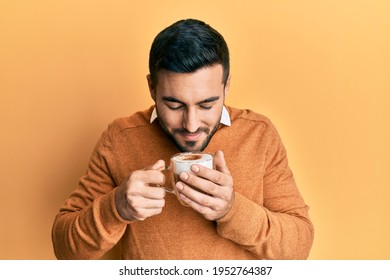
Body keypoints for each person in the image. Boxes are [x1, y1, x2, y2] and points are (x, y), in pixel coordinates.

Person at [52, 18, 314, 260]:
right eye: (175, 105)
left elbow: (299, 246)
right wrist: (116, 208)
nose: (191, 125)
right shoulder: (119, 138)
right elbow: (65, 249)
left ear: (226, 86)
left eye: (207, 105)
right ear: (152, 88)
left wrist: (231, 209)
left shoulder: (259, 135)